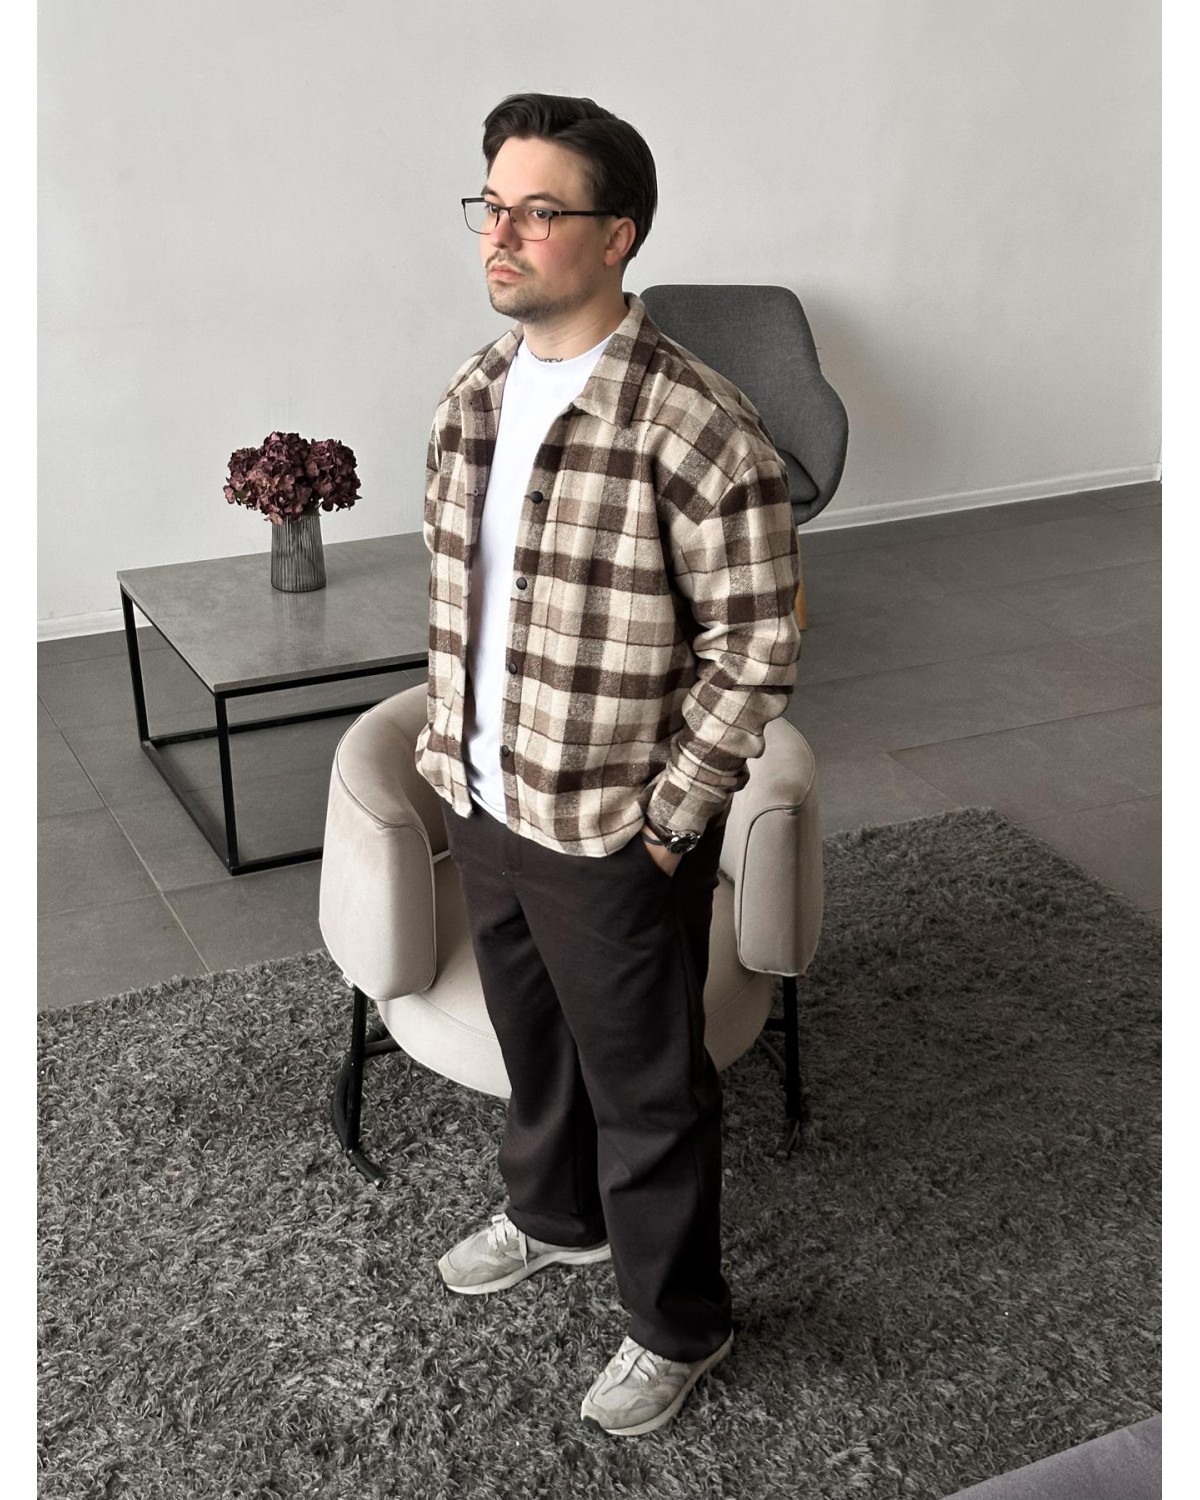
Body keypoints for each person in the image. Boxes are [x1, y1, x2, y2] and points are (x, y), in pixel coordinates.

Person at [414, 92, 802, 1438]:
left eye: (538, 211)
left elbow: (757, 644)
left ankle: (678, 1322)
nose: (501, 234)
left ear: (618, 234)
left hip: (613, 826)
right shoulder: (473, 396)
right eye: (492, 205)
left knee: (648, 1089)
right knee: (536, 1043)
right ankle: (553, 1215)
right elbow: (465, 607)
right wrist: (450, 757)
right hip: (488, 796)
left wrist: (674, 817)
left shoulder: (697, 424)